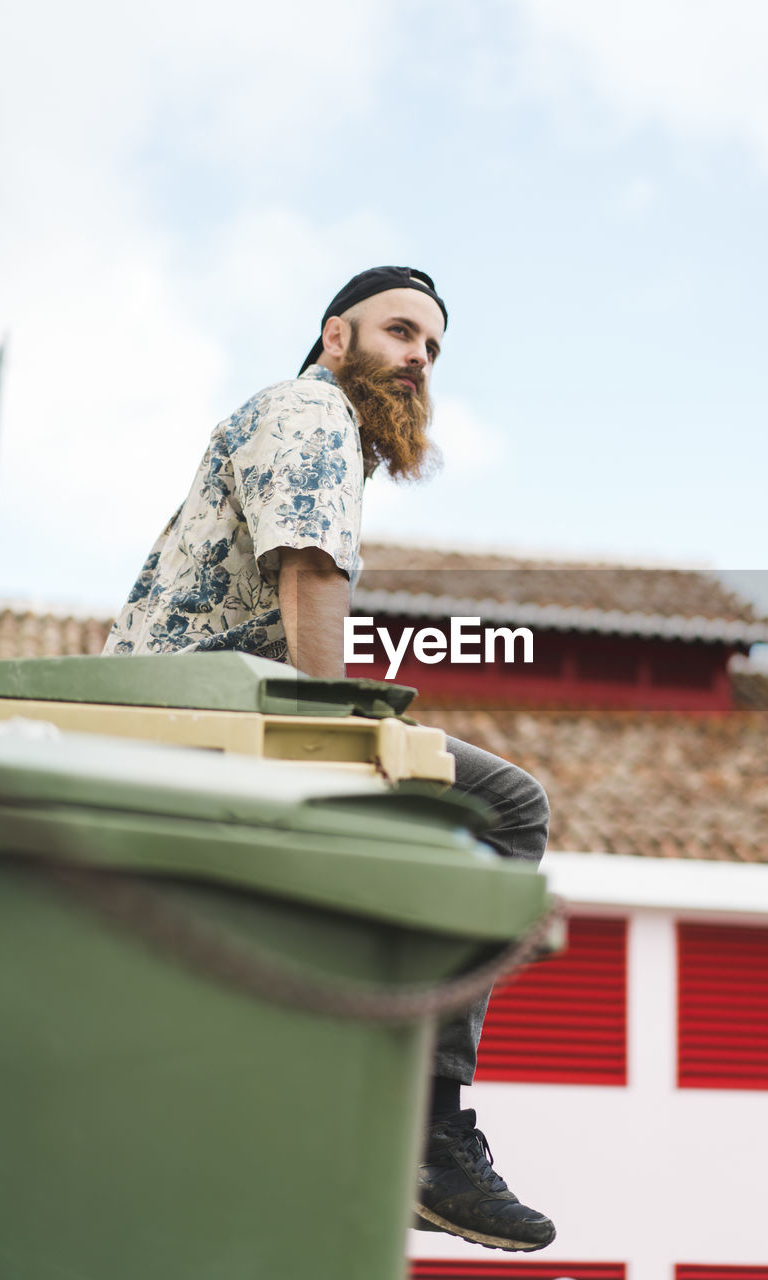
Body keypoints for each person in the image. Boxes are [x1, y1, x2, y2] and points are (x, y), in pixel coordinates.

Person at [103, 266, 556, 1253]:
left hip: (200, 707)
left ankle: (385, 1091)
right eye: (400, 333)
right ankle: (427, 1129)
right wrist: (338, 731)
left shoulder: (310, 428)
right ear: (335, 335)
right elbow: (308, 569)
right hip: (203, 710)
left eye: (432, 349)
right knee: (503, 806)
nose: (417, 360)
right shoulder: (308, 409)